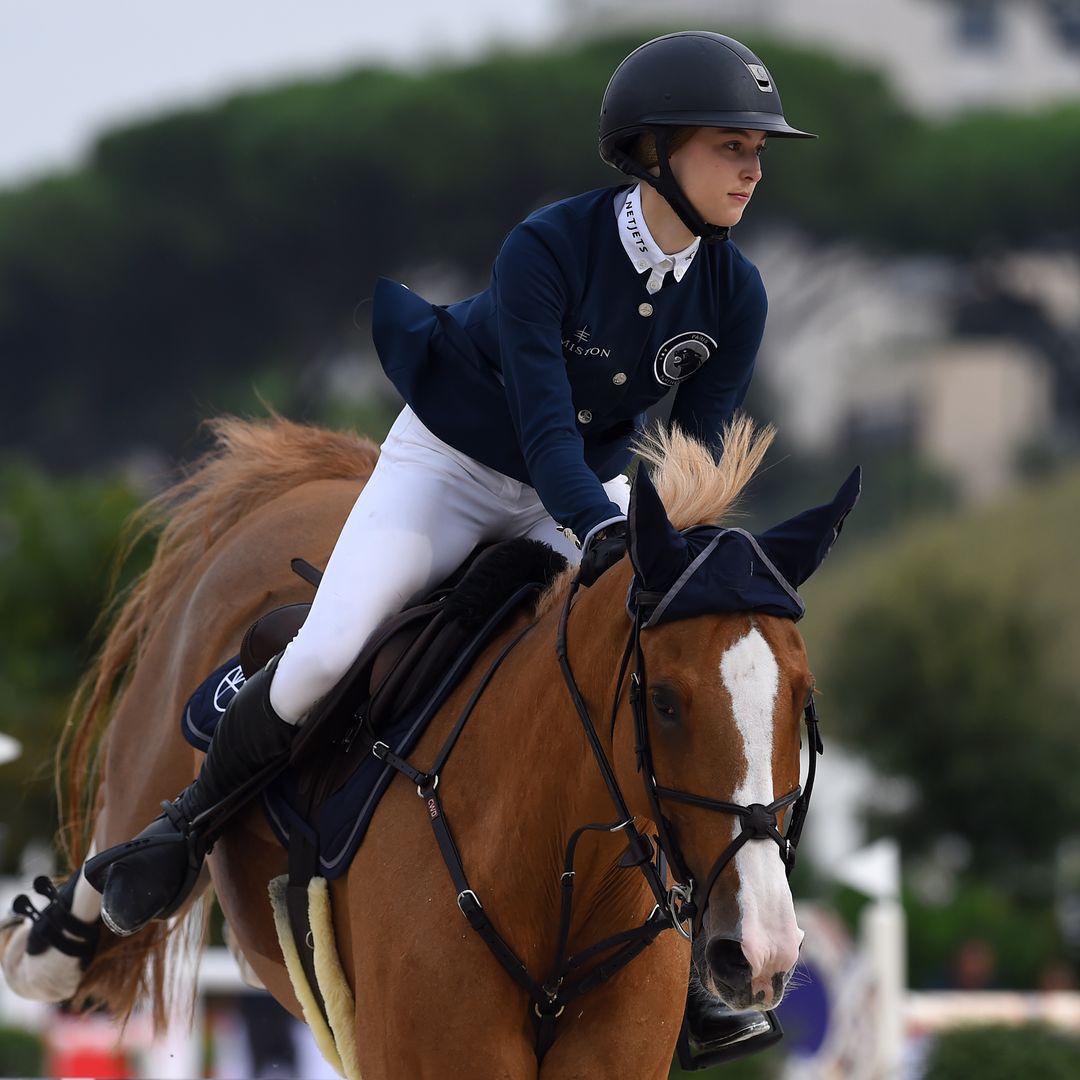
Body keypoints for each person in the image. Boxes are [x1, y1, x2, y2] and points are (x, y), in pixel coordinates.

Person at [85, 30, 816, 936]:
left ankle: (685, 912)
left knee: (646, 663)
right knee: (324, 652)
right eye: (730, 147)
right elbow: (547, 436)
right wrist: (602, 528)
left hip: (585, 494)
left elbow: (693, 462)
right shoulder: (547, 247)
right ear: (655, 151)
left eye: (755, 152)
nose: (752, 171)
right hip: (455, 468)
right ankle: (181, 829)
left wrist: (677, 550)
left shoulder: (735, 293)